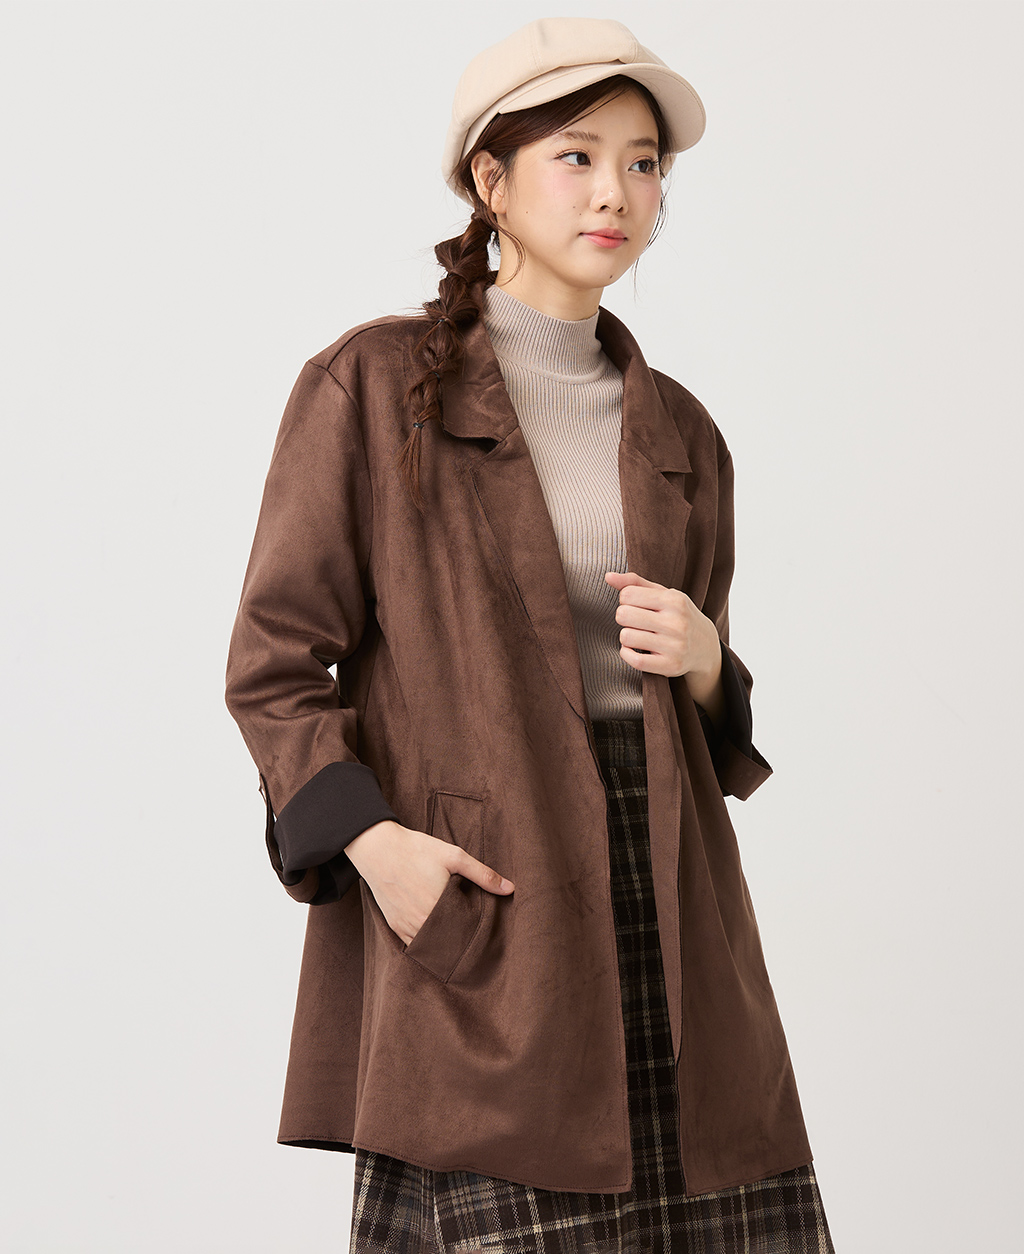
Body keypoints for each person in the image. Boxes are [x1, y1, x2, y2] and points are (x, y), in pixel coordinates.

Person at [225, 16, 836, 1254]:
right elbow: (275, 665)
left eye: (643, 163)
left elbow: (706, 711)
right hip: (495, 906)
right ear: (490, 182)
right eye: (577, 156)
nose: (616, 191)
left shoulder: (680, 430)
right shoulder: (374, 387)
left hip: (673, 897)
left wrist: (707, 665)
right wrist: (376, 846)